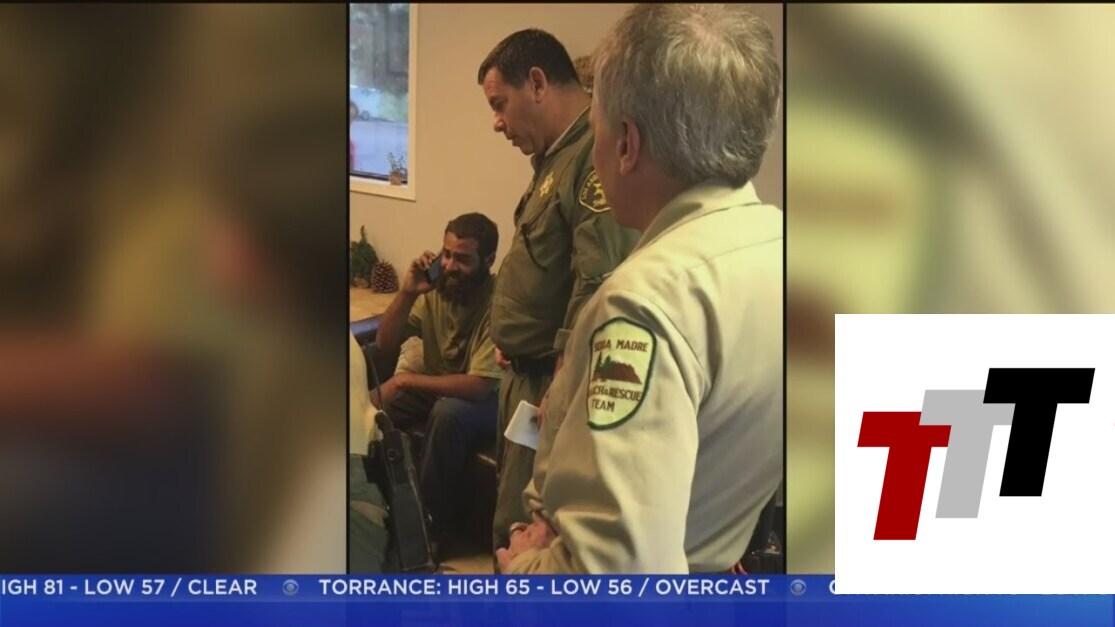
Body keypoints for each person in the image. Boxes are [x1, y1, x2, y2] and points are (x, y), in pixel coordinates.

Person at [497, 3, 784, 573]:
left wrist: (526, 567)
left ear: (626, 144)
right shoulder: (777, 246)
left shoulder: (644, 304)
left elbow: (616, 576)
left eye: (597, 124)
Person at [477, 28, 640, 564]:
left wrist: (564, 375)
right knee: (510, 521)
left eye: (499, 104)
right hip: (524, 374)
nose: (496, 122)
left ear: (538, 83)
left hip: (550, 386)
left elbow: (598, 281)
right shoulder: (555, 159)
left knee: (522, 536)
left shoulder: (590, 156)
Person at [371, 212, 503, 552]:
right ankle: (365, 501)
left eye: (462, 259)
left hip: (488, 402)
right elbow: (384, 342)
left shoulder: (500, 302)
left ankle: (427, 530)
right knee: (370, 404)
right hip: (441, 389)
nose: (449, 266)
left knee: (447, 414)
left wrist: (404, 381)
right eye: (446, 254)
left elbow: (479, 385)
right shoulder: (434, 291)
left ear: (489, 260)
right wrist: (407, 292)